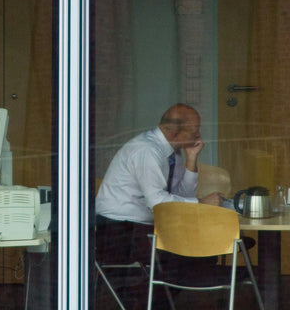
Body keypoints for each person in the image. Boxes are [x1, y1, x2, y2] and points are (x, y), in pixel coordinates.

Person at [95, 103, 224, 267]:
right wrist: (202, 203)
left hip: (146, 226)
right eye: (193, 131)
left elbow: (181, 197)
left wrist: (191, 159)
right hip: (121, 230)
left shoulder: (172, 151)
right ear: (174, 133)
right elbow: (157, 203)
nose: (198, 135)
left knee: (205, 249)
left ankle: (163, 289)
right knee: (198, 254)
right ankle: (157, 291)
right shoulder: (147, 150)